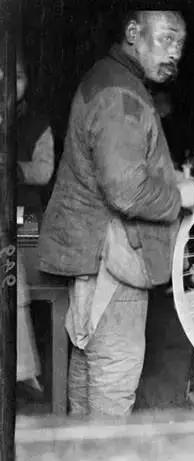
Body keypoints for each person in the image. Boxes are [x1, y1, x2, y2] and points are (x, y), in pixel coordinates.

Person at [38, 10, 194, 416]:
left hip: (94, 253)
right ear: (133, 33)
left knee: (89, 366)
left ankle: (80, 447)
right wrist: (179, 195)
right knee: (114, 375)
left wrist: (163, 177)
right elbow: (127, 192)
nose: (175, 52)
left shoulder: (111, 80)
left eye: (180, 43)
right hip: (113, 257)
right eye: (166, 38)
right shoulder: (121, 96)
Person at [15, 50, 55, 392]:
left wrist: (13, 169)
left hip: (23, 215)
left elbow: (43, 171)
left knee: (29, 281)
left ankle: (29, 363)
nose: (10, 85)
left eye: (18, 77)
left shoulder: (38, 123)